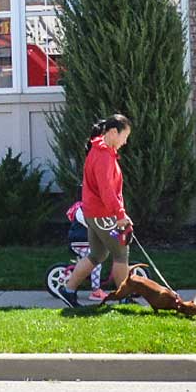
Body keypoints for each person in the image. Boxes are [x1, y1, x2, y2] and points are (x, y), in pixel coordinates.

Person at [51, 114, 132, 308]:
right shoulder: (103, 156)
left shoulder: (99, 151)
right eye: (125, 136)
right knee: (121, 254)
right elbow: (107, 190)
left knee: (97, 255)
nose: (125, 141)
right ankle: (124, 296)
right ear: (113, 132)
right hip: (103, 214)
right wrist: (120, 215)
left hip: (93, 213)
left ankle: (68, 290)